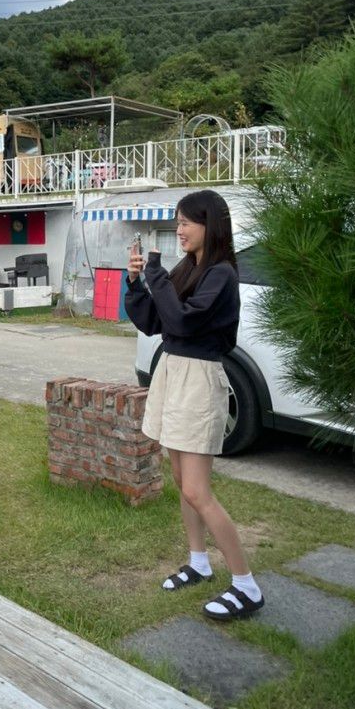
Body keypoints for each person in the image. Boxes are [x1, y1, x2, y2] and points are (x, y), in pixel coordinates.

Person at [124, 189, 265, 621]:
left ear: (211, 225)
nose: (179, 229)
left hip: (200, 380)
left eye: (186, 222)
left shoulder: (221, 275)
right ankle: (199, 562)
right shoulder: (189, 268)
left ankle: (246, 585)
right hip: (173, 373)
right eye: (178, 221)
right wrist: (136, 284)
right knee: (181, 475)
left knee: (196, 490)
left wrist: (155, 274)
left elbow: (183, 320)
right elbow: (154, 321)